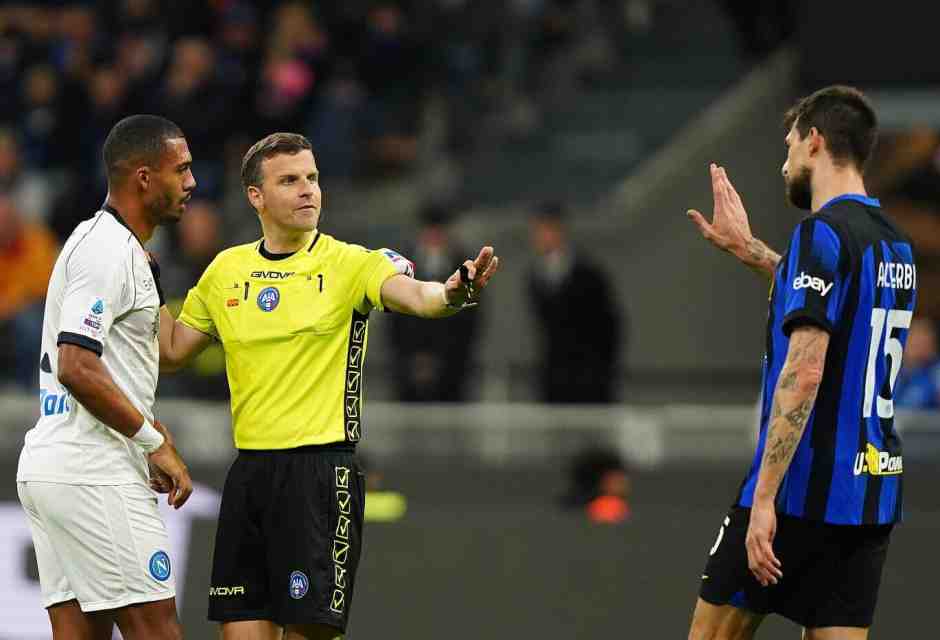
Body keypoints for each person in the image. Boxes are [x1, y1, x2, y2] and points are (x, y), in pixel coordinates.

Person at [157, 132, 500, 640]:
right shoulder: (226, 271)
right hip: (249, 475)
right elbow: (169, 353)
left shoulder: (350, 264)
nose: (307, 190)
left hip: (320, 477)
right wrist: (143, 281)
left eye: (312, 178)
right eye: (290, 180)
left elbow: (421, 297)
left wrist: (452, 293)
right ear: (256, 196)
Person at [686, 85, 915, 639]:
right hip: (869, 498)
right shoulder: (894, 247)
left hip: (798, 493)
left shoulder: (822, 233)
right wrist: (756, 253)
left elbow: (807, 367)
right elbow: (836, 296)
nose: (783, 161)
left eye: (789, 144)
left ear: (815, 142)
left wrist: (764, 499)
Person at [15, 114, 195, 640]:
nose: (191, 182)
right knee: (158, 632)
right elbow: (76, 365)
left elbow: (143, 358)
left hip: (61, 466)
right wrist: (152, 441)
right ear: (144, 177)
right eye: (180, 169)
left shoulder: (120, 249)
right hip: (93, 471)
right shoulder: (105, 251)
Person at [527, 201, 621, 403]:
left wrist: (599, 373)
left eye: (545, 229)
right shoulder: (535, 277)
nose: (540, 236)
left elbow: (609, 327)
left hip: (589, 382)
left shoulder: (589, 274)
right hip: (554, 381)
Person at [388, 203, 481, 402]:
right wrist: (414, 359)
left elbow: (471, 320)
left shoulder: (463, 266)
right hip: (409, 372)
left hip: (453, 371)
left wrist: (444, 360)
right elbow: (395, 317)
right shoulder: (402, 265)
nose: (434, 236)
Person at [893, 316, 940, 410]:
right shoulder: (892, 369)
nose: (917, 346)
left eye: (922, 341)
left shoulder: (935, 372)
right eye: (913, 339)